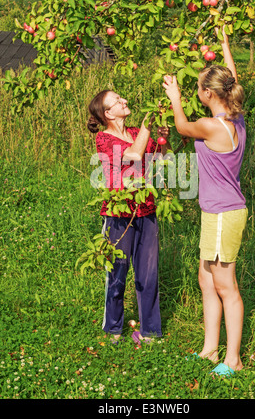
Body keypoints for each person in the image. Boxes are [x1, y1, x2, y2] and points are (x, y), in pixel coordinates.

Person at [162, 28, 247, 377]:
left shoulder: (212, 126)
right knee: (206, 279)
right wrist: (225, 46)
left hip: (223, 214)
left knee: (226, 285)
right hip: (219, 212)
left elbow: (182, 128)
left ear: (208, 94)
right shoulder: (235, 116)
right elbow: (233, 80)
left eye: (198, 88)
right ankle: (210, 350)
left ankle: (233, 359)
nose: (197, 91)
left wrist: (174, 95)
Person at [87, 90, 169, 344]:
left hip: (146, 210)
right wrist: (147, 126)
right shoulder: (103, 139)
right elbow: (133, 155)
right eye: (117, 100)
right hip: (119, 214)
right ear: (108, 113)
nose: (124, 100)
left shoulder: (135, 133)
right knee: (118, 272)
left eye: (122, 97)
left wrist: (162, 140)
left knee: (148, 272)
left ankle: (150, 331)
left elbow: (157, 157)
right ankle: (113, 328)